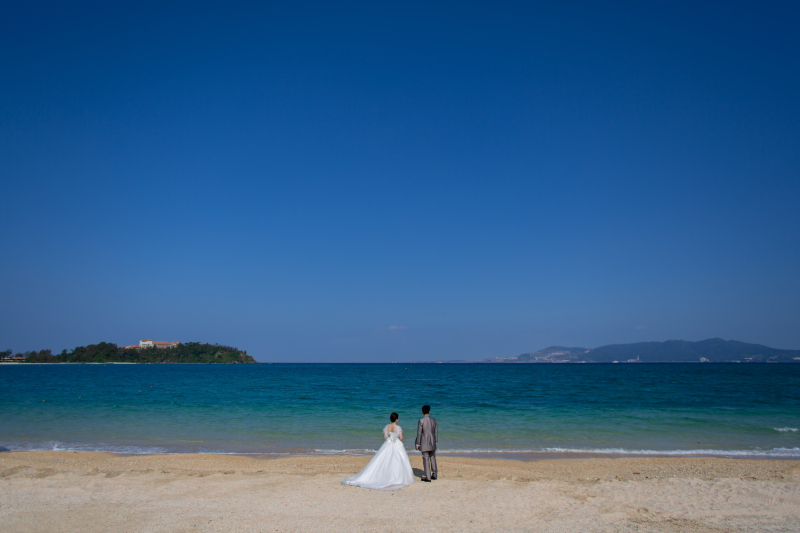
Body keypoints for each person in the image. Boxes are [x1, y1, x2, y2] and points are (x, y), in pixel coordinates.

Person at [342, 412, 414, 490]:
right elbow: (401, 438)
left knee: (384, 459)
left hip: (388, 443)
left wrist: (390, 438)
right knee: (397, 460)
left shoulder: (387, 426)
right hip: (396, 443)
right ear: (396, 419)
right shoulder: (398, 427)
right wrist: (396, 438)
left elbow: (385, 436)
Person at [415, 404, 438, 482]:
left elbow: (419, 433)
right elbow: (436, 432)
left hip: (424, 441)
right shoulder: (434, 420)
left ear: (422, 412)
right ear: (429, 411)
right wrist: (436, 441)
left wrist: (417, 443)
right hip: (433, 441)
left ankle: (428, 477)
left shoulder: (421, 421)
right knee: (432, 457)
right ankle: (434, 474)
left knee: (425, 458)